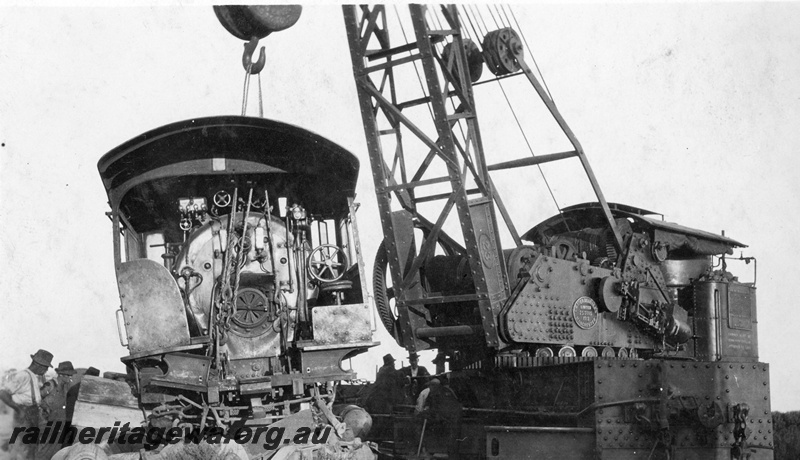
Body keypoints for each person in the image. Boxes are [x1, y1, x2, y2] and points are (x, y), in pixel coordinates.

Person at [0, 349, 53, 460]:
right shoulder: (22, 375)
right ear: (38, 365)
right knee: (22, 448)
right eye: (46, 367)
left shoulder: (33, 377)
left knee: (31, 447)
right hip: (24, 415)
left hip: (32, 414)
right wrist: (19, 409)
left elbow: (32, 398)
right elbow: (3, 393)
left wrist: (43, 406)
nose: (46, 370)